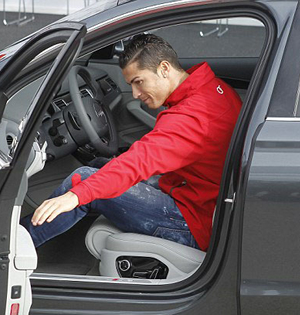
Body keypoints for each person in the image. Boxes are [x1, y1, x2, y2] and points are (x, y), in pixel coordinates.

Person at [21, 34, 242, 252]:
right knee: (100, 164)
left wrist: (75, 195)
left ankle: (11, 250)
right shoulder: (212, 88)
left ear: (164, 69)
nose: (135, 94)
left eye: (139, 82)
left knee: (83, 181)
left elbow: (136, 163)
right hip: (201, 194)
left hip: (193, 223)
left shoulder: (190, 119)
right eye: (131, 85)